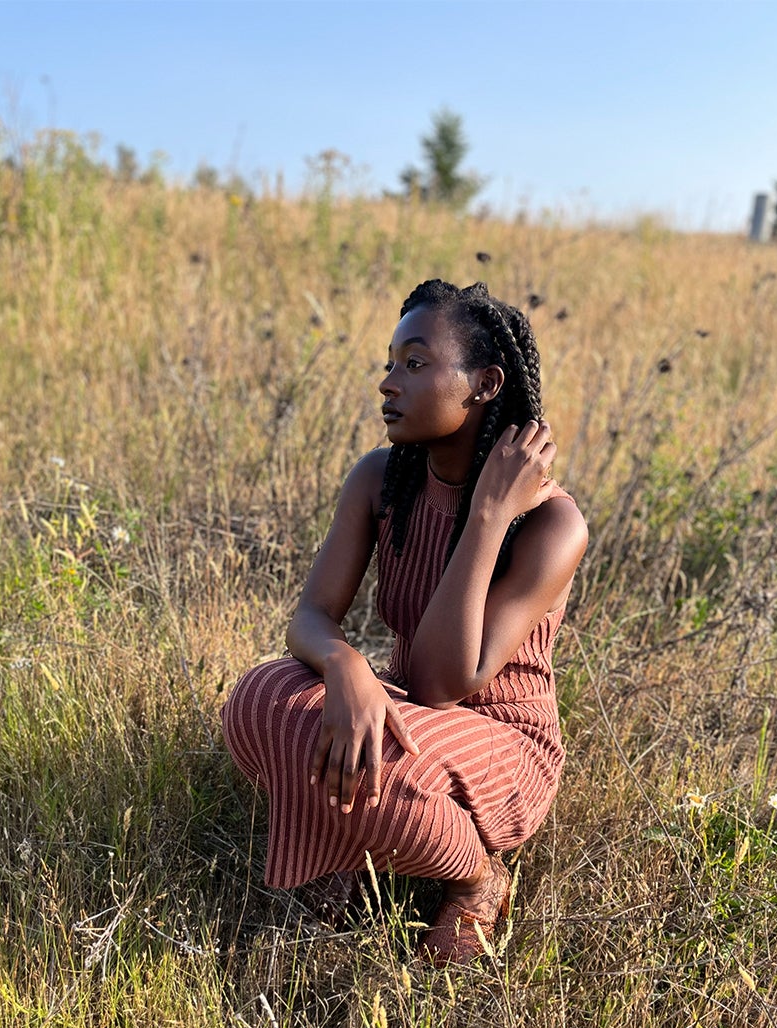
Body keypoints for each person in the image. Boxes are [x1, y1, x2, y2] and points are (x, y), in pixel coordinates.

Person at [221, 279, 589, 965]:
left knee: (368, 754)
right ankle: (354, 846)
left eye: (415, 364)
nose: (389, 383)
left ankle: (477, 876)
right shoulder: (379, 479)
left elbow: (446, 681)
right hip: (406, 710)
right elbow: (310, 618)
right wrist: (345, 666)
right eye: (390, 363)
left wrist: (486, 514)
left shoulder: (551, 523)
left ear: (485, 384)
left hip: (503, 748)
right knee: (258, 698)